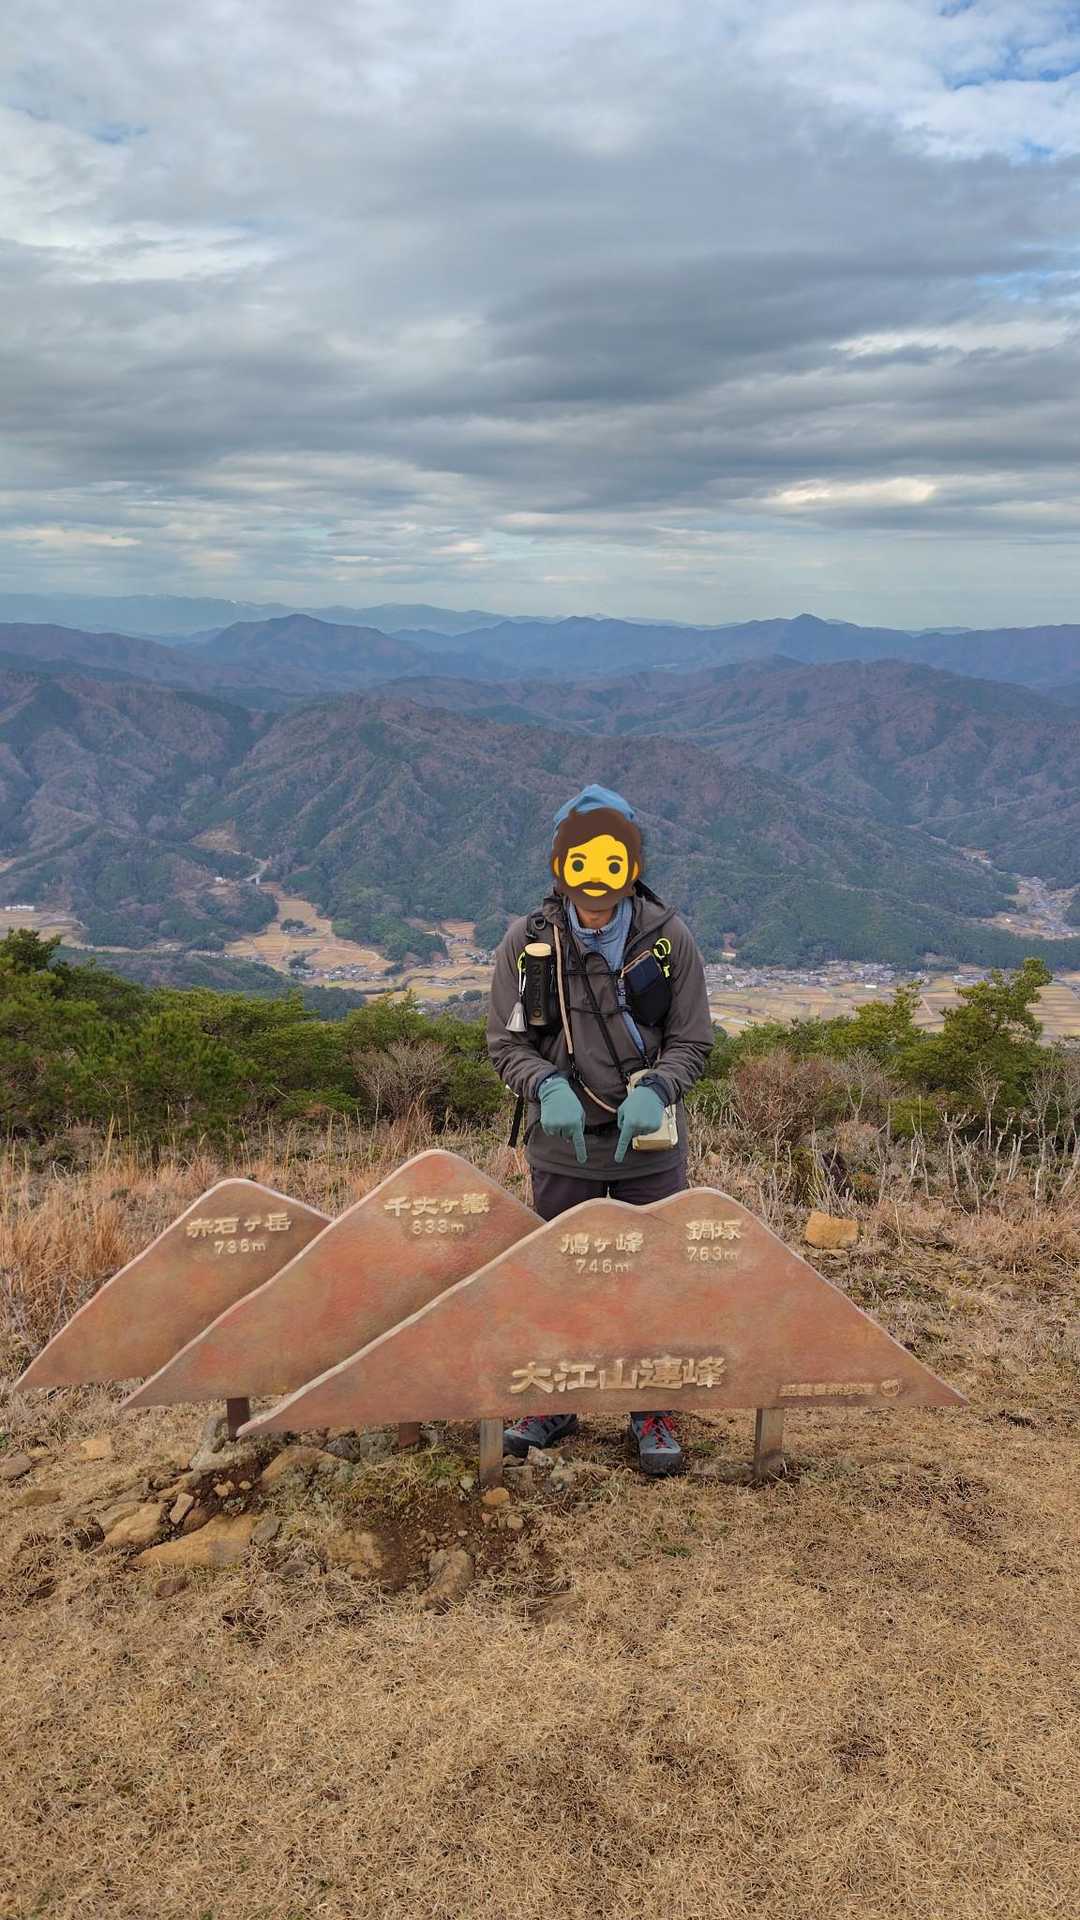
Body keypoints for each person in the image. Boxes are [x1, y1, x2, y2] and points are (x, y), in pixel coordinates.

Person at [486, 783, 714, 1474]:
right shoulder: (527, 941)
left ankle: (652, 1406)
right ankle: (554, 1399)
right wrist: (544, 1084)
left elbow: (692, 1040)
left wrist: (661, 1088)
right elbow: (505, 1044)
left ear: (631, 861)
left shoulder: (667, 939)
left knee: (655, 1274)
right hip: (564, 1145)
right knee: (559, 1273)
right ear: (560, 861)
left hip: (649, 1145)